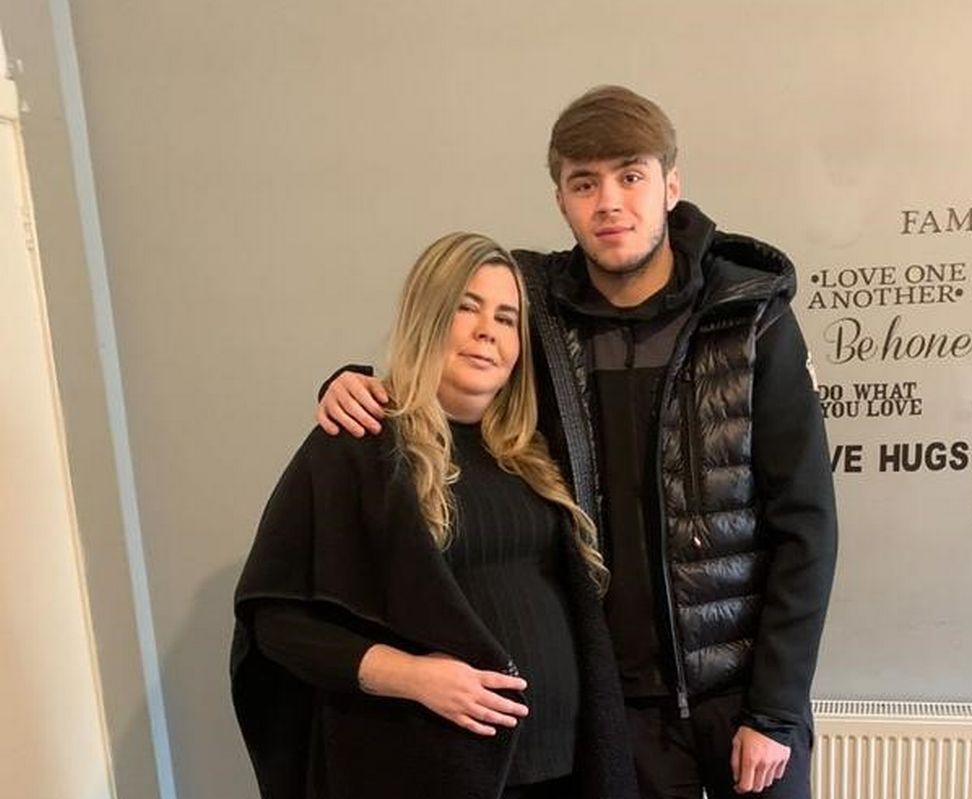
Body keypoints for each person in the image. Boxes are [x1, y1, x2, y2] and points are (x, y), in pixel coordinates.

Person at [318, 86, 838, 799]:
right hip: (608, 710)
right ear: (561, 199)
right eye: (584, 183)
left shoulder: (752, 321)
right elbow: (446, 360)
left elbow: (806, 526)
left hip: (738, 704)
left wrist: (775, 710)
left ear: (670, 185)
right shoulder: (535, 313)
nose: (610, 202)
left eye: (631, 175)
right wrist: (351, 381)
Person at [232, 232, 637, 799]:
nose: (486, 333)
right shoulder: (361, 444)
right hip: (435, 767)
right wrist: (416, 678)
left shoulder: (532, 453)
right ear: (428, 317)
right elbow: (276, 622)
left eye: (505, 318)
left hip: (564, 768)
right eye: (465, 308)